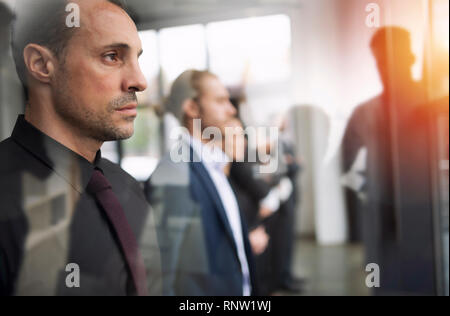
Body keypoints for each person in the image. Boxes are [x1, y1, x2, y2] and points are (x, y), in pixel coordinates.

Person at [0, 0, 161, 296]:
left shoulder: (127, 188)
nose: (139, 81)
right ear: (40, 65)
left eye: (137, 58)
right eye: (112, 56)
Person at [145, 70, 257, 296]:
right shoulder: (174, 172)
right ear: (192, 108)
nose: (231, 110)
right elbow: (161, 273)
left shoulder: (213, 165)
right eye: (220, 100)